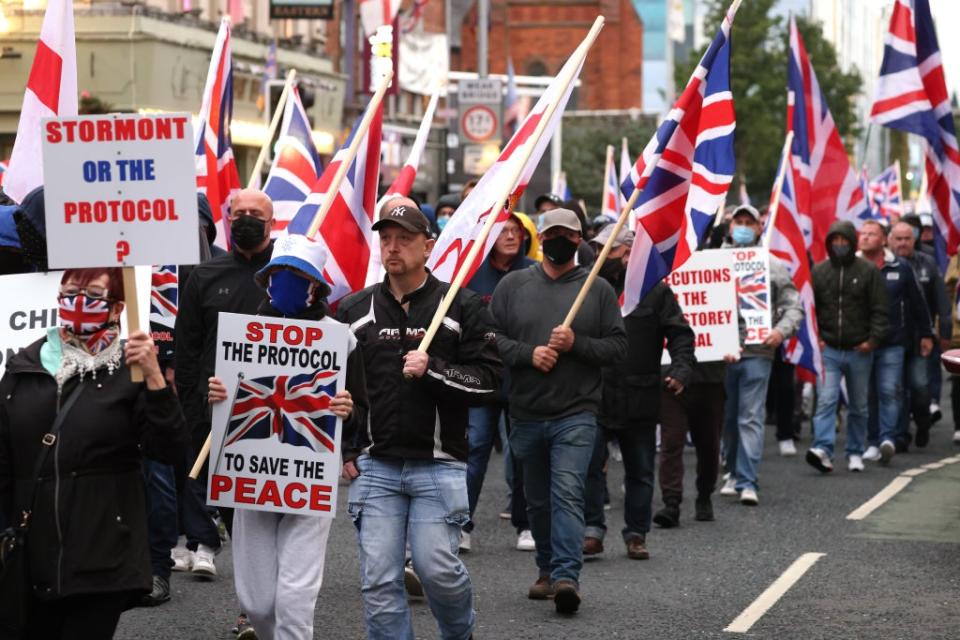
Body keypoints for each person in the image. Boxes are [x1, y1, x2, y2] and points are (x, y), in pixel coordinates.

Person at [337, 203, 501, 640]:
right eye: (386, 238)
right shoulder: (353, 310)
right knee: (379, 582)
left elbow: (490, 383)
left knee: (436, 571)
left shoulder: (462, 306)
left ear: (429, 246)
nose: (393, 247)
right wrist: (346, 448)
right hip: (375, 467)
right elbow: (333, 389)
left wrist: (435, 369)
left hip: (440, 463)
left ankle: (459, 633)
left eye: (404, 238)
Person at [0, 268, 187, 639]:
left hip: (100, 553)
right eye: (71, 292)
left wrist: (154, 379)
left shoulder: (129, 372)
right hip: (30, 555)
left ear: (118, 307)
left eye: (93, 293)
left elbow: (169, 450)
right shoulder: (24, 365)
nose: (79, 301)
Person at [207, 235, 368, 640]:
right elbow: (221, 397)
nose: (288, 283)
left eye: (299, 275)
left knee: (295, 599)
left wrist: (349, 411)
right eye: (281, 274)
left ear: (317, 285)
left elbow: (364, 409)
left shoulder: (341, 338)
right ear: (267, 279)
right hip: (251, 478)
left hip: (309, 479)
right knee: (259, 603)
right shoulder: (243, 333)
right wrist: (214, 395)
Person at [489, 208, 627, 614]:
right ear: (541, 238)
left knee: (567, 492)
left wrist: (577, 344)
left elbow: (618, 348)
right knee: (536, 500)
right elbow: (490, 339)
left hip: (576, 413)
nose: (559, 239)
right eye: (552, 233)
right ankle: (546, 570)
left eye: (568, 234)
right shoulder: (513, 286)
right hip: (526, 412)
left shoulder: (596, 289)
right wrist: (529, 354)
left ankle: (568, 577)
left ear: (580, 239)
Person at [175, 188, 275, 634]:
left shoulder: (287, 276)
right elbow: (189, 347)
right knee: (241, 522)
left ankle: (274, 607)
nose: (247, 219)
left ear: (273, 222)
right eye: (240, 213)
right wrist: (194, 409)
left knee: (274, 517)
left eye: (257, 214)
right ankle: (251, 610)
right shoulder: (205, 276)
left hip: (277, 419)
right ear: (227, 218)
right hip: (218, 419)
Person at [582, 225, 694, 559]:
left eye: (609, 250)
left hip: (640, 394)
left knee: (640, 469)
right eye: (598, 250)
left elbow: (680, 334)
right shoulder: (587, 287)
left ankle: (636, 533)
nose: (601, 257)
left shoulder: (655, 292)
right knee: (589, 466)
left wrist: (681, 369)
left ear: (629, 252)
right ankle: (592, 530)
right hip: (594, 394)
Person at [464, 212, 536, 552]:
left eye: (515, 231)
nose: (510, 236)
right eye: (503, 230)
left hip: (522, 377)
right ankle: (461, 525)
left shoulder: (533, 274)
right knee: (475, 447)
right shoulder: (474, 274)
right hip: (482, 378)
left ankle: (526, 524)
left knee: (522, 452)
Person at [722, 205, 802, 504]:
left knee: (751, 417)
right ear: (730, 227)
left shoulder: (772, 264)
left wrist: (781, 331)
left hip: (758, 351)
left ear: (759, 228)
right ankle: (731, 469)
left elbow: (794, 305)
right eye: (738, 222)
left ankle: (747, 481)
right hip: (723, 354)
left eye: (749, 222)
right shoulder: (711, 260)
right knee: (728, 419)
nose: (743, 226)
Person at [808, 221, 888, 473]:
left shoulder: (867, 271)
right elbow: (812, 308)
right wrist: (817, 336)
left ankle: (855, 451)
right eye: (835, 240)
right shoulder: (819, 271)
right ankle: (823, 448)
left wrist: (872, 340)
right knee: (826, 400)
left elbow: (880, 309)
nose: (840, 244)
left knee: (859, 404)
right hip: (829, 348)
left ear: (851, 242)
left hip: (859, 349)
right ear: (829, 242)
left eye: (844, 240)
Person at [858, 220, 933, 465]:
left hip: (893, 341)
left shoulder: (900, 268)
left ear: (883, 239)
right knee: (868, 394)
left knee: (890, 391)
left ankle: (887, 439)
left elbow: (918, 302)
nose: (867, 237)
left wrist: (926, 334)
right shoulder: (853, 266)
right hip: (862, 342)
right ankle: (871, 441)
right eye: (864, 233)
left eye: (872, 234)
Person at [889, 220, 950, 449]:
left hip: (920, 338)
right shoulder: (884, 264)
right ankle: (900, 434)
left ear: (914, 240)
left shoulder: (928, 263)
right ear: (890, 240)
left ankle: (923, 422)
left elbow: (942, 303)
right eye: (898, 239)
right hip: (892, 338)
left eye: (907, 238)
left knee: (920, 386)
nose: (903, 243)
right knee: (896, 389)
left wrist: (943, 334)